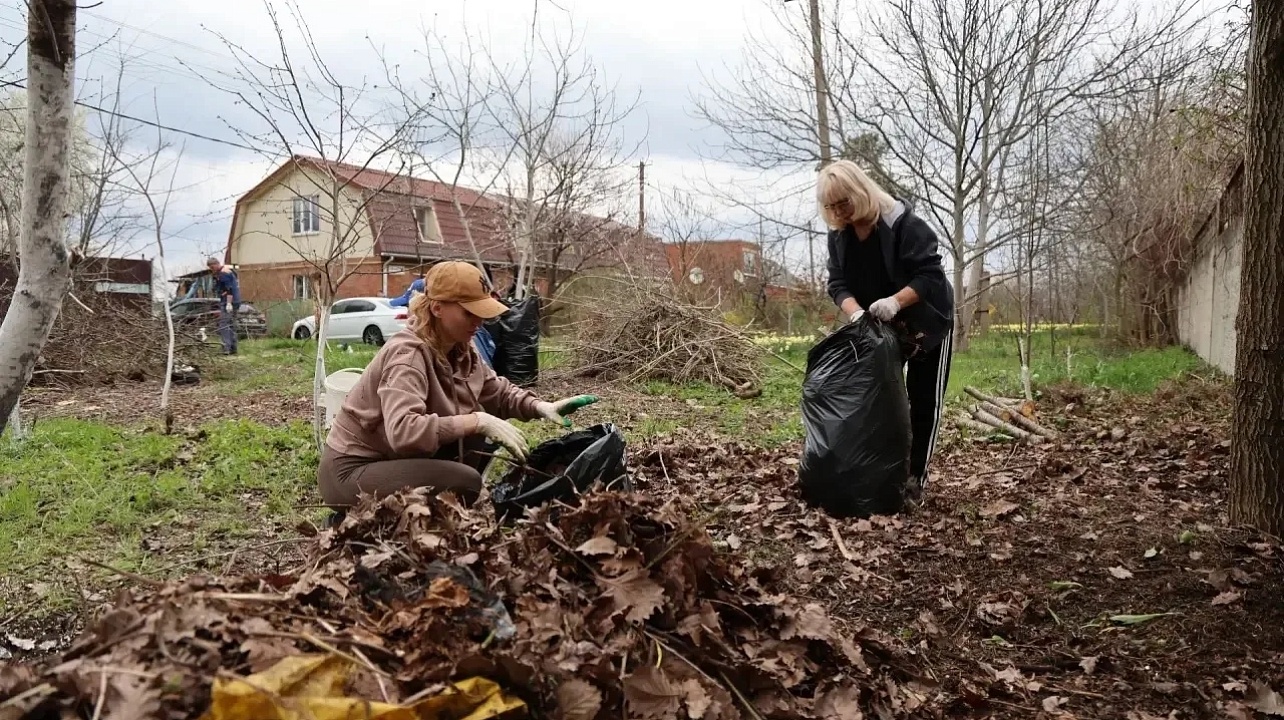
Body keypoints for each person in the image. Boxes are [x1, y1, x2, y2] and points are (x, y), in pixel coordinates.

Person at [318, 260, 597, 516]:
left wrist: (541, 407)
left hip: (392, 458)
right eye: (469, 313)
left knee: (479, 436)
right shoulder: (408, 356)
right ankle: (372, 521)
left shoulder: (461, 347)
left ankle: (435, 513)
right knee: (467, 478)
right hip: (351, 470)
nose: (479, 321)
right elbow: (403, 431)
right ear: (437, 308)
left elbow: (495, 390)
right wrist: (476, 420)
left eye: (482, 312)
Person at [817, 159, 955, 499]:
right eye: (832, 207)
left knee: (923, 401)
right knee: (877, 399)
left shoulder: (904, 225)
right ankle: (878, 470)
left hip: (927, 323)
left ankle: (914, 480)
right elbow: (837, 283)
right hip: (878, 327)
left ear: (860, 191)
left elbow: (930, 276)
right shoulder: (839, 238)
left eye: (844, 202)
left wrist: (895, 301)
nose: (840, 212)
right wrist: (855, 314)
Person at [206, 257, 241, 355]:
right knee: (231, 324)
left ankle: (226, 348)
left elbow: (228, 289)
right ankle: (233, 348)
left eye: (212, 267)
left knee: (223, 325)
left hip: (228, 301)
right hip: (236, 300)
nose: (212, 269)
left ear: (217, 264)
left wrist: (228, 303)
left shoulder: (223, 274)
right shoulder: (229, 271)